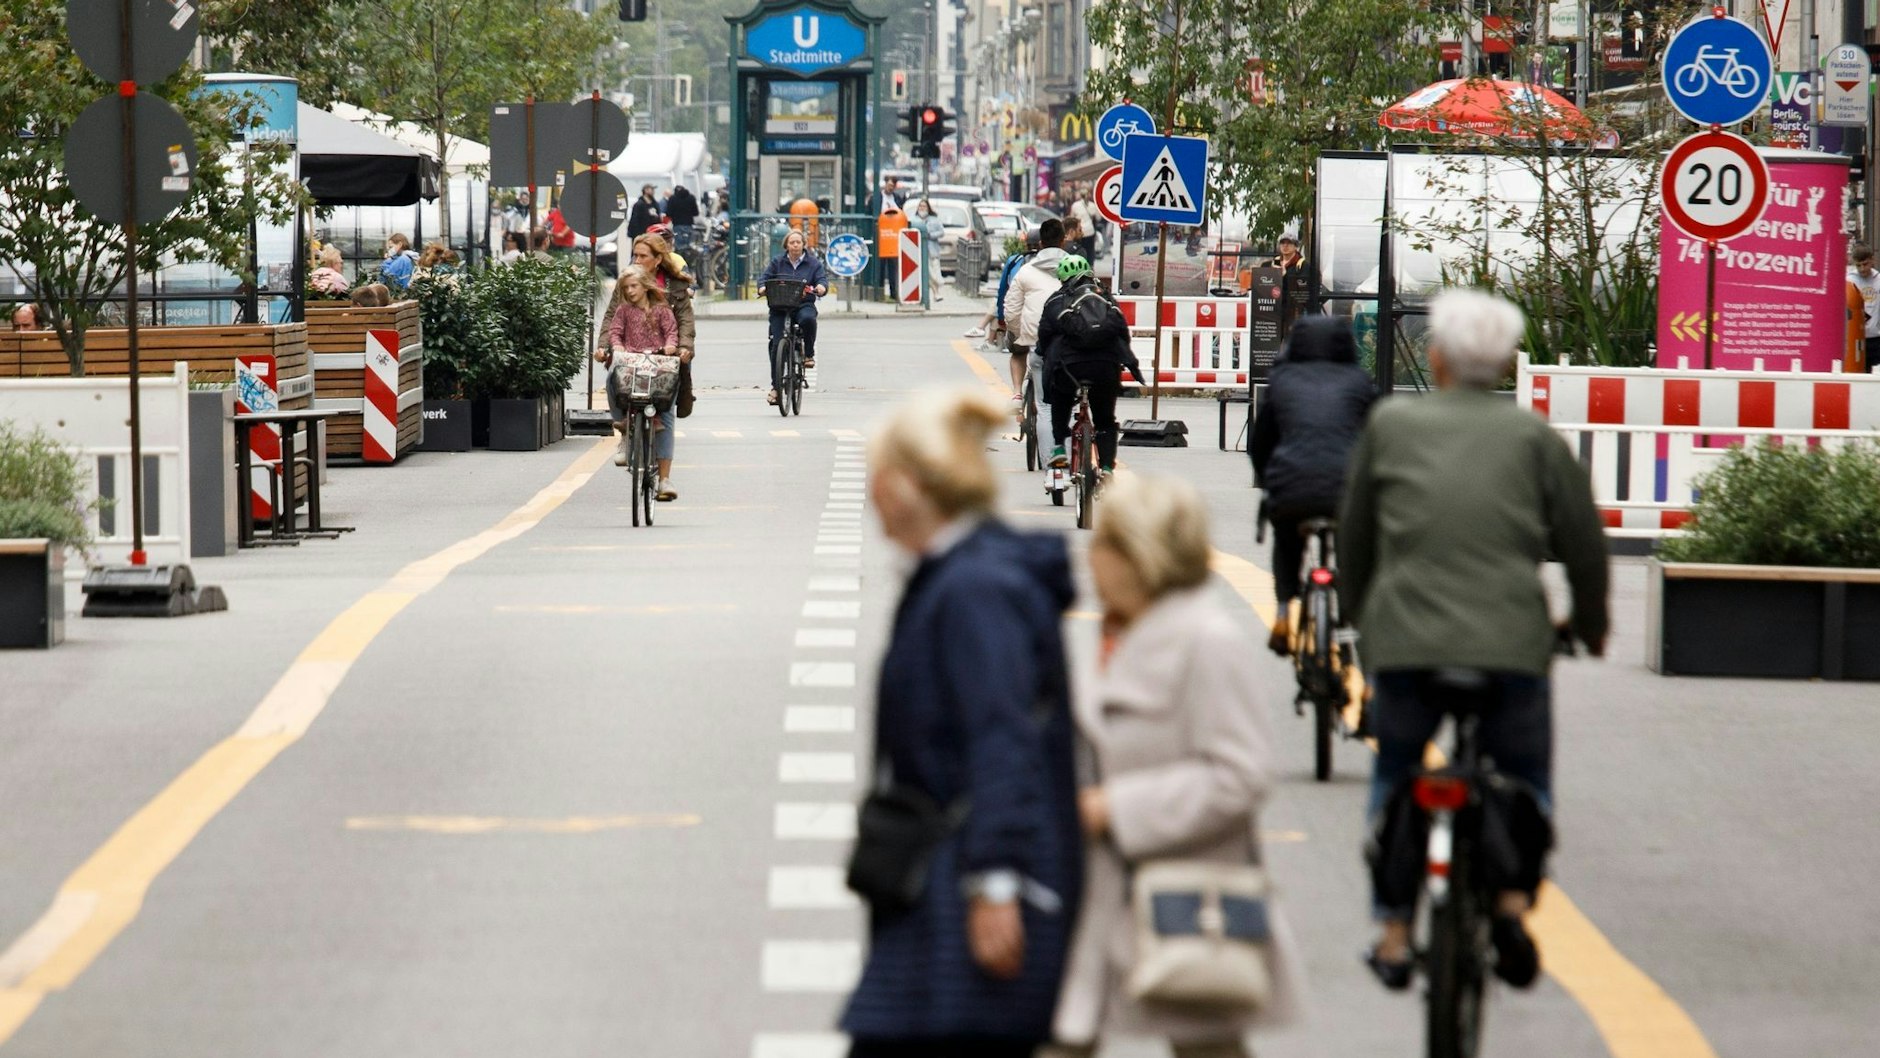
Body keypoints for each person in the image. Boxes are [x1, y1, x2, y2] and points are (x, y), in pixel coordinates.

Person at [1339, 287, 1609, 993]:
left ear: (1436, 357)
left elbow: (1357, 538)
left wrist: (1361, 616)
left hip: (1406, 640)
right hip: (1511, 642)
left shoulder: (1391, 424)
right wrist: (1588, 626)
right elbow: (1583, 544)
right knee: (1524, 775)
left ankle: (1395, 931)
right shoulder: (1533, 438)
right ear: (1507, 363)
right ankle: (1514, 906)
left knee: (1398, 772)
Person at [841, 389, 1083, 1058]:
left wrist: (996, 882)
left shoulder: (973, 588)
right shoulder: (973, 573)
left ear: (901, 487)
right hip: (954, 875)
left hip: (965, 887)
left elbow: (1001, 734)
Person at [1047, 473, 1304, 1058]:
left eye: (1105, 542)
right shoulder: (1110, 630)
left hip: (1189, 903)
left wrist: (1117, 808)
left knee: (1205, 1044)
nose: (1092, 556)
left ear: (1139, 554)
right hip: (1094, 901)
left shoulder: (1204, 640)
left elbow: (1242, 773)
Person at [1248, 316, 1376, 655]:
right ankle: (1356, 626)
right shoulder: (1359, 382)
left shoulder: (1282, 380)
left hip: (1292, 484)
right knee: (1357, 556)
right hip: (1347, 490)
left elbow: (1260, 443)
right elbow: (1376, 439)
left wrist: (1268, 482)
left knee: (1288, 542)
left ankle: (1282, 612)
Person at [1037, 254, 1145, 474]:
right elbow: (1122, 334)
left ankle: (1059, 447)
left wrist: (1042, 354)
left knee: (1061, 399)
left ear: (1063, 279)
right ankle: (1106, 467)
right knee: (1105, 418)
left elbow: (1045, 337)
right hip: (1105, 366)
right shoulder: (1104, 299)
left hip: (1070, 367)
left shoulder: (1056, 301)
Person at [599, 265, 683, 498]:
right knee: (611, 378)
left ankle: (665, 480)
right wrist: (616, 346)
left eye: (634, 286)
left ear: (646, 286)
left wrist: (670, 346)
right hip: (630, 363)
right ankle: (623, 423)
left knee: (666, 413)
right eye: (626, 287)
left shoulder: (662, 310)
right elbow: (615, 331)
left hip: (658, 365)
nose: (630, 291)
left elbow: (672, 332)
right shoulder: (624, 310)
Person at [756, 229, 828, 406]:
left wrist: (820, 287)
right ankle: (775, 387)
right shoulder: (777, 262)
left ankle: (808, 354)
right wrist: (762, 288)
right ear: (786, 246)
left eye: (798, 242)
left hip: (803, 304)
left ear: (804, 244)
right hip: (780, 305)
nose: (795, 245)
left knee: (808, 319)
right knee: (776, 344)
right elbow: (764, 278)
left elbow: (822, 280)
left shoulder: (813, 263)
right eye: (791, 242)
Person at [632, 232, 697, 426]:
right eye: (635, 256)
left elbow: (685, 319)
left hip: (666, 352)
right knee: (614, 385)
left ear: (658, 259)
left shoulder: (675, 285)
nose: (637, 261)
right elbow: (613, 317)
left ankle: (663, 458)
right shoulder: (627, 280)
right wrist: (607, 346)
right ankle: (625, 434)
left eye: (643, 256)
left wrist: (684, 347)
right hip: (632, 351)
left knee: (666, 406)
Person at [1004, 219, 1066, 407]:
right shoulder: (1077, 268)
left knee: (1017, 349)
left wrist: (1018, 333)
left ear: (1041, 244)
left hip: (1033, 335)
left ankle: (1016, 395)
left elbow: (1012, 311)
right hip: (1068, 336)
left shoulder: (1025, 271)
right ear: (1063, 242)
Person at [1848, 244, 1880, 372]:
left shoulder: (1878, 280)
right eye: (1858, 265)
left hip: (1876, 339)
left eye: (1865, 264)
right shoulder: (1850, 281)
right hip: (1855, 338)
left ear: (1872, 260)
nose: (1862, 269)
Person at [878, 202, 908, 301]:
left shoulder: (897, 199)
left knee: (894, 269)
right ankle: (880, 291)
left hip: (894, 244)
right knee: (881, 269)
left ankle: (894, 293)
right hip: (885, 243)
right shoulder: (878, 200)